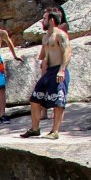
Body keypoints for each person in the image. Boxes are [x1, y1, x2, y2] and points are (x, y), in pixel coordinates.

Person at [21, 7, 72, 140]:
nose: (41, 21)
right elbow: (43, 54)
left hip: (59, 70)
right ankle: (35, 128)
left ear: (51, 20)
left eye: (44, 19)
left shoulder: (60, 35)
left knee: (58, 101)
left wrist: (62, 70)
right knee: (35, 99)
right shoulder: (45, 37)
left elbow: (68, 52)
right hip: (48, 72)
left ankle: (55, 131)